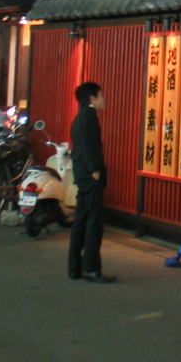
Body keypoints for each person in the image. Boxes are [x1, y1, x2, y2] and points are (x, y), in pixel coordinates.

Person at [67, 81, 115, 283]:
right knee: (94, 222)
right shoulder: (89, 116)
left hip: (81, 175)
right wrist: (95, 170)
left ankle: (74, 267)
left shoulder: (79, 117)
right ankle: (91, 268)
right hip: (90, 176)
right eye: (101, 95)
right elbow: (89, 146)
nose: (104, 99)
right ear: (92, 98)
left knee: (81, 220)